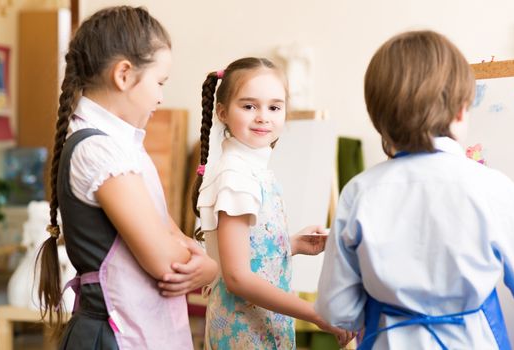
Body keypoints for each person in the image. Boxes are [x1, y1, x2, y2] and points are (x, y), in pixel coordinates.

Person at [315, 30, 514, 349]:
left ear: (377, 116)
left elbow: (336, 308)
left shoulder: (360, 191)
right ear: (462, 110)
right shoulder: (493, 186)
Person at [36, 6, 217, 349]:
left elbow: (168, 231)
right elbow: (166, 259)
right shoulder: (99, 151)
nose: (162, 96)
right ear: (123, 74)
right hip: (115, 337)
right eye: (159, 82)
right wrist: (209, 267)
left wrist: (203, 260)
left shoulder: (122, 145)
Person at [191, 57, 355, 349]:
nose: (263, 117)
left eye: (274, 107)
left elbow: (242, 253)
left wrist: (292, 244)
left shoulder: (250, 169)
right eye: (249, 106)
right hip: (243, 332)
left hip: (262, 327)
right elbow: (237, 277)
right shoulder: (235, 176)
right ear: (222, 112)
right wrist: (316, 313)